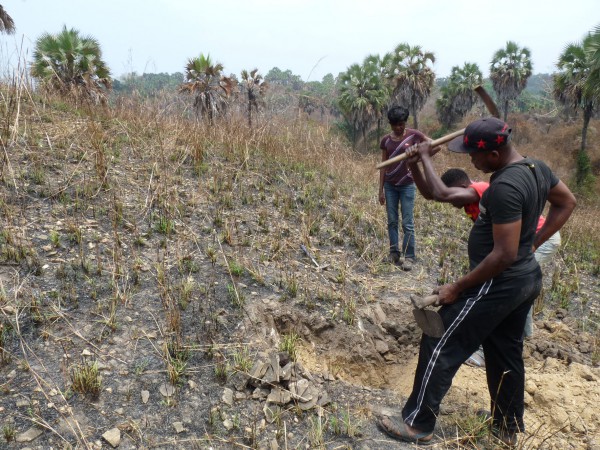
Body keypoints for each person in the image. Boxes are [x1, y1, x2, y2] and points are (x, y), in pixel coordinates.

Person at [377, 118, 576, 446]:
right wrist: (534, 244)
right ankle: (506, 428)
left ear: (495, 154)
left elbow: (503, 255)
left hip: (498, 282)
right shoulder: (536, 168)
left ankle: (417, 425)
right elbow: (566, 202)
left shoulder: (505, 188)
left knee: (439, 340)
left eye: (474, 154)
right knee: (504, 352)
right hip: (525, 279)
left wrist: (456, 287)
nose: (470, 159)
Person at [412, 166, 561, 340]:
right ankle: (523, 334)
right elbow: (433, 195)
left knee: (509, 285)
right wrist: (413, 166)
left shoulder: (480, 189)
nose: (451, 204)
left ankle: (508, 336)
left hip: (539, 238)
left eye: (453, 196)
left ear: (461, 187)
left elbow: (442, 194)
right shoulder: (470, 201)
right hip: (519, 242)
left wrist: (424, 157)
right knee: (509, 285)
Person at [378, 106, 427, 271]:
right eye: (395, 125)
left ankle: (409, 257)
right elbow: (383, 167)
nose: (399, 128)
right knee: (392, 221)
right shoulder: (386, 140)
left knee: (407, 222)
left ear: (405, 123)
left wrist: (417, 160)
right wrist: (381, 190)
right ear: (390, 124)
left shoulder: (414, 136)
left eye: (401, 124)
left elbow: (434, 147)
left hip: (407, 185)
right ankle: (394, 253)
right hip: (390, 186)